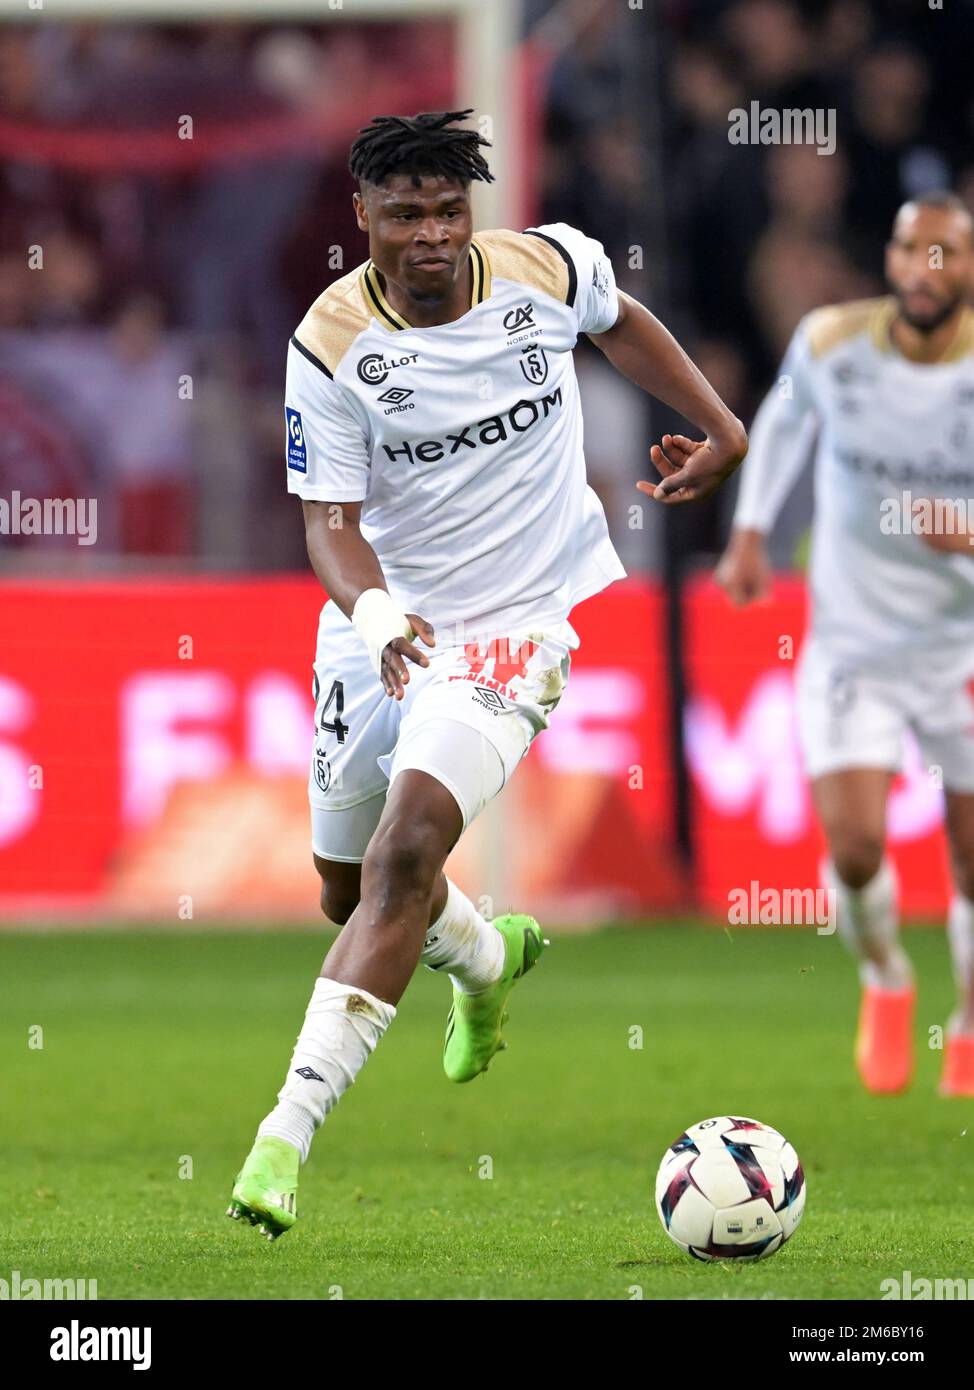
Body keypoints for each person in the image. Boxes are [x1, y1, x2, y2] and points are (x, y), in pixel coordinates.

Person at [228, 109, 746, 1239]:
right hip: (378, 621)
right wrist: (370, 613)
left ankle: (282, 1138)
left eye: (446, 210)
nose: (428, 233)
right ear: (361, 217)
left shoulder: (545, 267)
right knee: (349, 890)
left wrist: (719, 425)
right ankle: (485, 952)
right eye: (403, 212)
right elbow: (326, 521)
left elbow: (618, 324)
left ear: (473, 212)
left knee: (405, 850)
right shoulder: (328, 342)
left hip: (515, 624)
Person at [716, 192, 974, 1099]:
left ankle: (971, 1025)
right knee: (858, 847)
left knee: (972, 855)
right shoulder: (833, 343)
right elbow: (783, 422)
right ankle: (886, 978)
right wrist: (749, 531)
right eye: (910, 249)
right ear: (892, 260)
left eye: (945, 253)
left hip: (962, 648)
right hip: (853, 646)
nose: (923, 269)